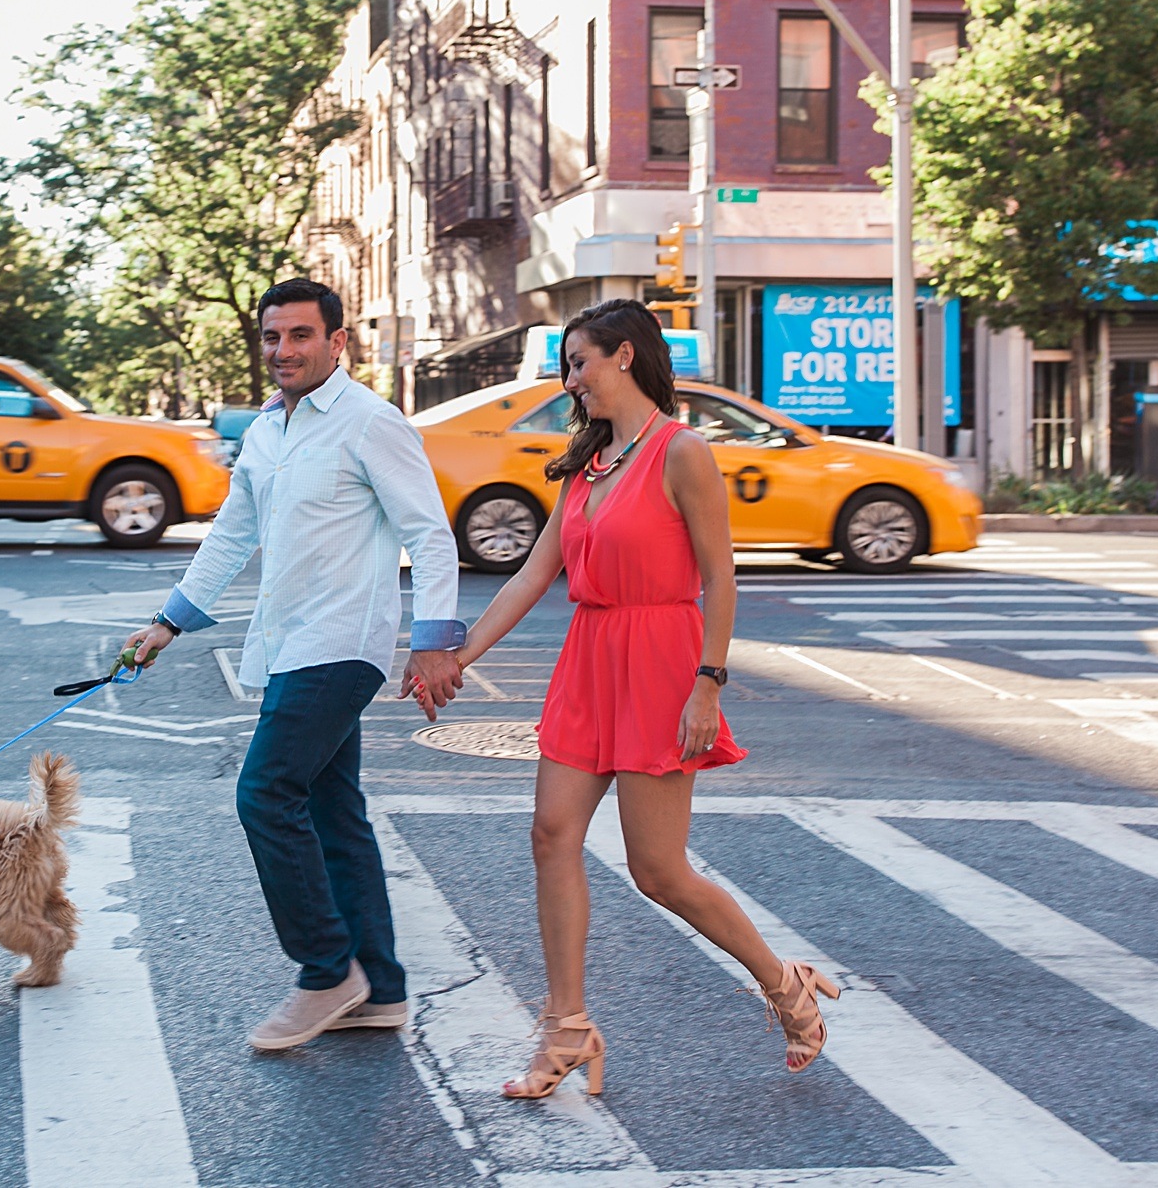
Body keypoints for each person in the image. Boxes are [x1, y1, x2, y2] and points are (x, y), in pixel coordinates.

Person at [446, 298, 838, 1100]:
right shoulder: (591, 463)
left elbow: (721, 575)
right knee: (551, 834)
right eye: (566, 365)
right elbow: (531, 572)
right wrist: (459, 655)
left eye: (579, 361)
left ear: (624, 356)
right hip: (590, 658)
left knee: (657, 869)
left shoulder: (681, 452)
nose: (570, 380)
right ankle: (566, 1027)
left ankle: (782, 982)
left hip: (663, 660)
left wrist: (708, 682)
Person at [122, 278, 466, 1051]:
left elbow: (431, 533)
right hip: (287, 645)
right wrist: (167, 621)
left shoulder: (371, 423)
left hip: (342, 644)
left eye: (301, 335)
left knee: (265, 793)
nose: (284, 351)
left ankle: (324, 970)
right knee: (332, 811)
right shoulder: (267, 433)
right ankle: (378, 985)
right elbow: (229, 536)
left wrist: (436, 638)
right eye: (273, 337)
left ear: (337, 342)